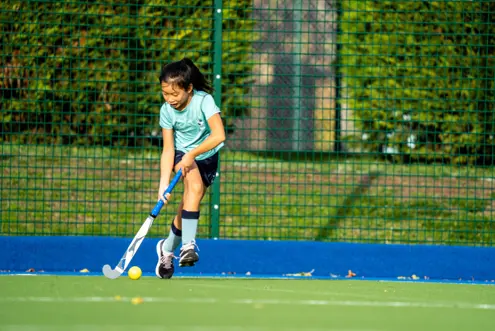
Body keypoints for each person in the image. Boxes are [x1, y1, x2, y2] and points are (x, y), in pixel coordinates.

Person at [155, 58, 226, 279]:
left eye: (175, 94)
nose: (170, 99)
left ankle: (166, 249)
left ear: (189, 88)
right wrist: (163, 183)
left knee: (188, 203)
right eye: (165, 94)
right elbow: (168, 149)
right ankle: (188, 245)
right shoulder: (166, 110)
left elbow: (219, 135)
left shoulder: (204, 102)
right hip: (181, 154)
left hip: (206, 156)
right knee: (194, 188)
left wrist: (193, 154)